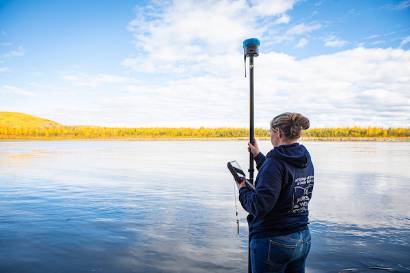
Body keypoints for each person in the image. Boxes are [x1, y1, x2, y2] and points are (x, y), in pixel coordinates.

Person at [237, 112, 314, 273]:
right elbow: (282, 177)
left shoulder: (275, 162)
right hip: (302, 238)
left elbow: (259, 206)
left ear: (278, 132)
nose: (270, 135)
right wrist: (258, 156)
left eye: (270, 132)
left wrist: (243, 188)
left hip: (274, 240)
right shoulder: (304, 158)